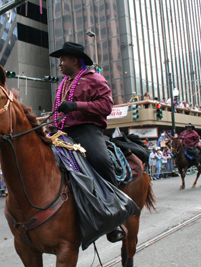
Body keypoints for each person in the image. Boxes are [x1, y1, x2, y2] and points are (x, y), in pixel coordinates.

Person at [49, 41, 126, 243]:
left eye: (62, 59)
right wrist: (51, 125)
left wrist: (75, 105)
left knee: (101, 161)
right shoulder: (62, 84)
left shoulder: (94, 79)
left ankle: (114, 215)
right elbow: (57, 109)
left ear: (74, 60)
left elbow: (106, 106)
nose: (60, 63)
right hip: (62, 132)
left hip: (87, 130)